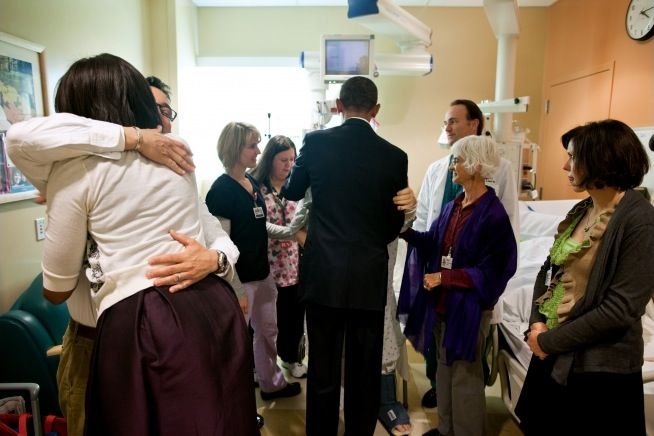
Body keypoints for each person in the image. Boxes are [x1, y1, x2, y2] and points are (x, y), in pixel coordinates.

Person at [7, 53, 259, 435]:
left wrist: (216, 258)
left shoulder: (77, 173)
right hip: (200, 319)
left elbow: (55, 290)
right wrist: (133, 139)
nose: (163, 120)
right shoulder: (175, 155)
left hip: (129, 336)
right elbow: (25, 138)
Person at [283, 76, 409, 436]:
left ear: (338, 105)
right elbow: (391, 226)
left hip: (323, 274)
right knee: (363, 370)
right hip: (368, 278)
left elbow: (292, 191)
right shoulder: (394, 156)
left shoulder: (316, 143)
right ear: (376, 110)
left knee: (323, 368)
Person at [515, 119, 654, 436]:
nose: (565, 165)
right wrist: (537, 322)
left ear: (601, 159)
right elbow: (549, 270)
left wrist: (547, 341)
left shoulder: (639, 220)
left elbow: (619, 310)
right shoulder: (581, 210)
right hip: (554, 350)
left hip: (600, 370)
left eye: (573, 156)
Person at [402, 99, 519, 409]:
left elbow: (505, 240)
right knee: (440, 356)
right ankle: (445, 416)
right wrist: (403, 229)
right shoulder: (450, 195)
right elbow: (429, 223)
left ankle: (461, 421)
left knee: (465, 367)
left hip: (467, 292)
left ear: (474, 125)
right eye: (446, 122)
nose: (447, 127)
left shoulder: (493, 199)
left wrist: (469, 283)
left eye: (453, 121)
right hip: (439, 281)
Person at [206, 121, 301, 401]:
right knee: (236, 342)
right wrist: (235, 288)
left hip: (263, 275)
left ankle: (272, 384)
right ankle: (236, 401)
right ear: (235, 148)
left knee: (268, 332)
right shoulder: (221, 191)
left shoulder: (251, 185)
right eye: (252, 145)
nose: (258, 151)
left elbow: (260, 227)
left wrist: (292, 234)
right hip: (241, 281)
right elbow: (220, 246)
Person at [251, 135, 308, 378]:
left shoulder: (297, 187)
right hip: (266, 264)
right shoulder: (256, 187)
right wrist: (292, 234)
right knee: (265, 322)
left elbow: (306, 217)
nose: (288, 165)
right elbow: (257, 224)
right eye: (283, 159)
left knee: (293, 317)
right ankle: (260, 366)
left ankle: (291, 359)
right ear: (270, 159)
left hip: (294, 264)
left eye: (292, 160)